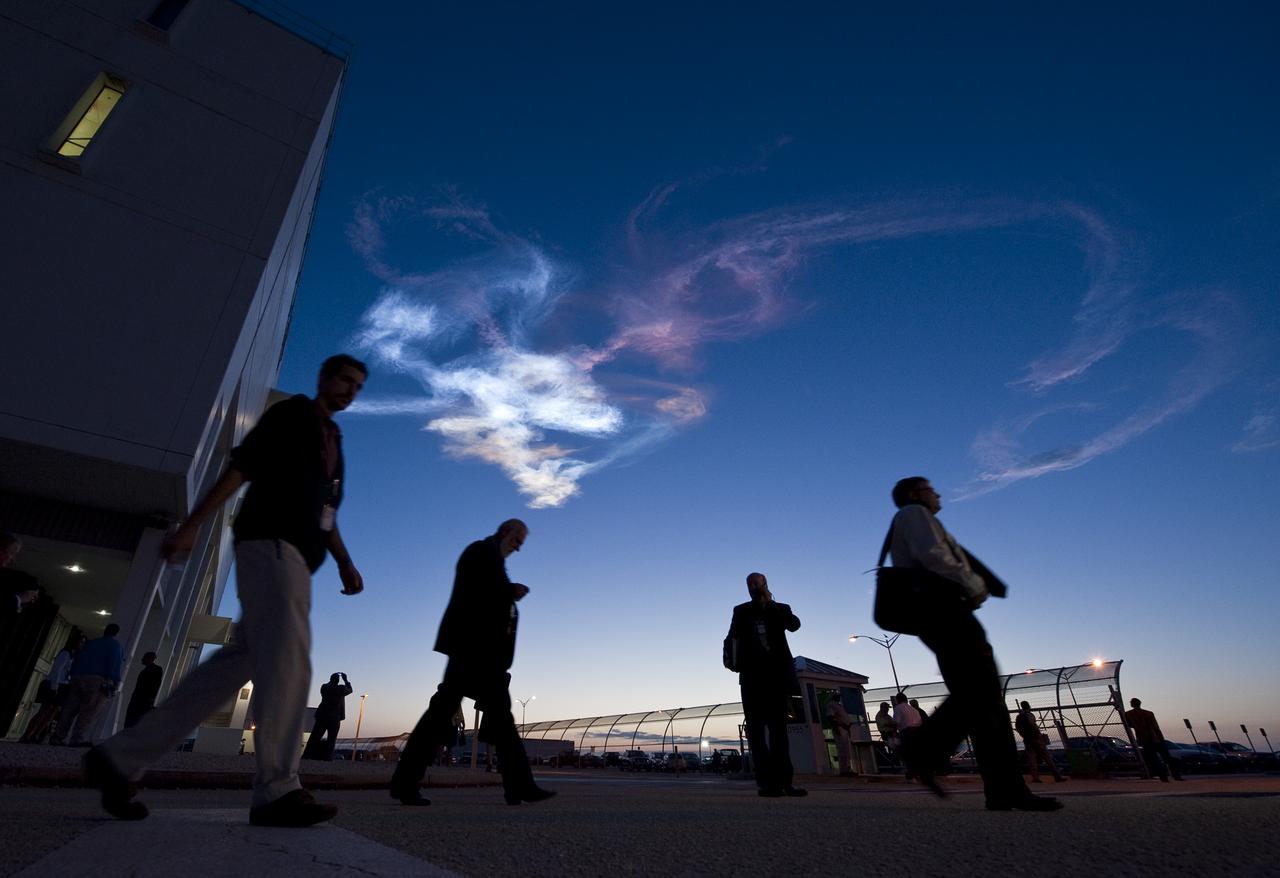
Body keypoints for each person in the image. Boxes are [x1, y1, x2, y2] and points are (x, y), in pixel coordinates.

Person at [83, 354, 369, 827]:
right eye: (344, 380)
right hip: (272, 544)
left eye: (358, 386)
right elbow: (243, 467)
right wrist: (193, 524)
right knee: (290, 660)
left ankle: (118, 760)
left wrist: (344, 561)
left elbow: (327, 514)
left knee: (233, 668)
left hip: (298, 558)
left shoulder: (334, 442)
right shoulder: (293, 415)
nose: (349, 391)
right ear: (323, 378)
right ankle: (278, 789)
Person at [885, 476, 1062, 812]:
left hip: (939, 612)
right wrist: (973, 583)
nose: (937, 494)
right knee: (980, 690)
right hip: (945, 611)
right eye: (930, 489)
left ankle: (1004, 789)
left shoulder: (911, 518)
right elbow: (933, 554)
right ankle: (921, 749)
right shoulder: (914, 515)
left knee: (988, 706)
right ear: (913, 494)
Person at [391, 519, 554, 807]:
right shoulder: (479, 552)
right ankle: (519, 786)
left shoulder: (492, 559)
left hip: (482, 655)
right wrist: (510, 592)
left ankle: (519, 786)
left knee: (486, 718)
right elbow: (476, 592)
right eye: (517, 540)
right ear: (505, 532)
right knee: (456, 716)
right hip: (472, 650)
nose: (518, 548)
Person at [722, 572, 806, 798]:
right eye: (749, 584)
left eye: (756, 583)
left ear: (765, 584)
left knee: (779, 731)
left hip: (776, 677)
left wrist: (771, 602)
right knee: (757, 733)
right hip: (751, 677)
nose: (752, 587)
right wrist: (731, 660)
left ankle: (785, 782)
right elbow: (731, 637)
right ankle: (767, 784)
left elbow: (794, 625)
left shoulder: (780, 608)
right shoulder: (741, 611)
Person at [51, 624, 124, 746]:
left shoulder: (90, 643)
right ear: (116, 633)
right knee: (90, 710)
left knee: (70, 709)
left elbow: (78, 657)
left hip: (77, 678)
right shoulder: (115, 646)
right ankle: (77, 738)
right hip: (96, 680)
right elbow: (114, 665)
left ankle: (58, 736)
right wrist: (114, 683)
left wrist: (73, 675)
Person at [21, 634, 85, 743]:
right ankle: (28, 735)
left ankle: (36, 735)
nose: (81, 645)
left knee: (51, 712)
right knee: (44, 711)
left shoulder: (72, 656)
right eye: (80, 642)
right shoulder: (65, 654)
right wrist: (54, 687)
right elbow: (56, 670)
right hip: (54, 684)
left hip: (62, 685)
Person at [1125, 698, 1182, 782]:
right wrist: (1161, 738)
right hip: (1155, 738)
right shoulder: (1149, 713)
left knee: (1154, 759)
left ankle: (1163, 777)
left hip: (1144, 739)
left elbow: (1129, 724)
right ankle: (1175, 776)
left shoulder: (1128, 714)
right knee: (1167, 758)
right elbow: (1155, 727)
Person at [302, 672, 353, 760]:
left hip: (322, 715)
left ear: (330, 679)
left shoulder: (324, 687)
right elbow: (350, 690)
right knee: (331, 739)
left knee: (314, 737)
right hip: (334, 717)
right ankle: (328, 757)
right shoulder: (340, 689)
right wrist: (345, 680)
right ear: (338, 681)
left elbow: (329, 686)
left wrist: (333, 679)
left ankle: (306, 755)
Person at [1015, 701, 1064, 783]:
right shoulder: (1030, 715)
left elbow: (1017, 727)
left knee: (1032, 758)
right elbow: (1033, 725)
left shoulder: (1019, 716)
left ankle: (1035, 777)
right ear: (1028, 706)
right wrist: (1038, 735)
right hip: (1035, 738)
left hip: (1027, 739)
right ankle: (1056, 775)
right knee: (1046, 756)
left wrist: (1023, 735)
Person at [124, 653, 164, 729]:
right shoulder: (148, 670)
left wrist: (150, 700)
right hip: (139, 701)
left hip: (142, 702)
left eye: (144, 658)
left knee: (134, 722)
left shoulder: (155, 670)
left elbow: (155, 685)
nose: (142, 659)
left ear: (150, 659)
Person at [826, 696, 856, 776]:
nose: (839, 697)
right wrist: (837, 729)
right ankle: (844, 770)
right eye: (837, 696)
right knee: (842, 749)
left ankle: (847, 769)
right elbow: (830, 717)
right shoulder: (832, 705)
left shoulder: (838, 705)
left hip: (844, 728)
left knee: (846, 750)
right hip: (840, 728)